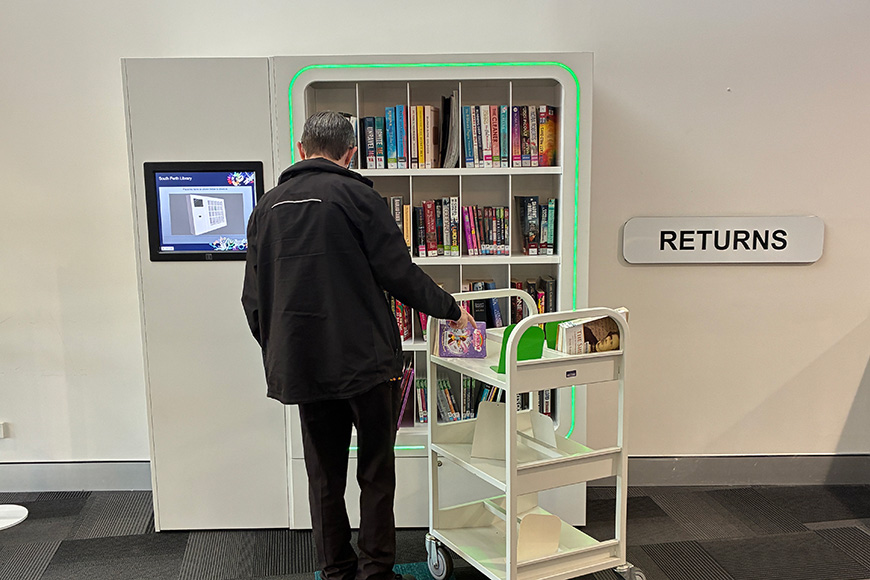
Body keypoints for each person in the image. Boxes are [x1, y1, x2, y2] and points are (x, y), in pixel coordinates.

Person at [242, 111, 473, 580]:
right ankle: (375, 573)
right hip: (367, 365)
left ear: (302, 150)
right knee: (375, 473)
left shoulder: (265, 207)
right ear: (350, 155)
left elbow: (253, 299)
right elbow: (399, 274)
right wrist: (451, 310)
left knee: (324, 476)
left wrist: (280, 348)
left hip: (304, 365)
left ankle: (336, 571)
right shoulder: (359, 198)